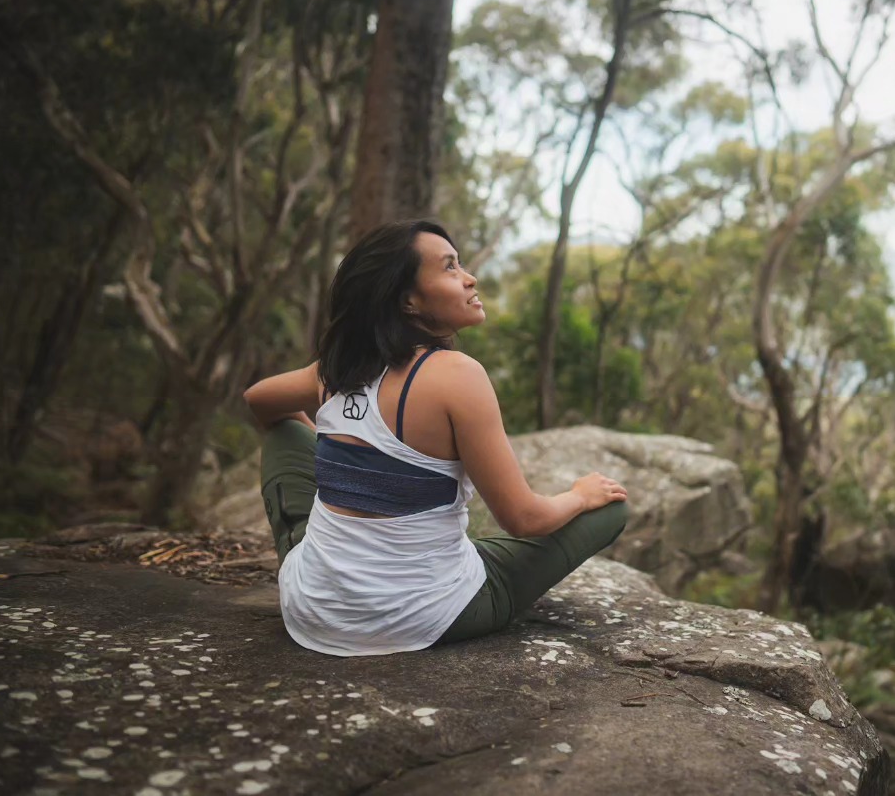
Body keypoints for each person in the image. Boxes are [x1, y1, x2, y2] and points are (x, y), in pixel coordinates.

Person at [242, 219, 628, 656]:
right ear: (407, 301)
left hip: (312, 608)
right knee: (610, 508)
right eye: (449, 267)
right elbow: (525, 520)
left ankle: (325, 559)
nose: (469, 278)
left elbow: (259, 401)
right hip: (427, 615)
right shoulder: (458, 375)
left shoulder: (336, 369)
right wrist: (580, 495)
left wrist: (331, 455)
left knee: (285, 430)